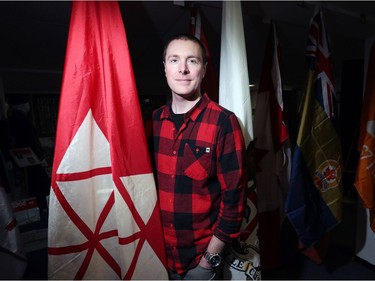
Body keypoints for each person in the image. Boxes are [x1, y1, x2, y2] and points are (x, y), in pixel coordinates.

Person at [151, 33, 247, 280]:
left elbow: (234, 198)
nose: (182, 69)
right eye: (174, 60)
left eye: (192, 61)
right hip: (156, 256)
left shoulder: (224, 122)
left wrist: (209, 261)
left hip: (199, 261)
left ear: (203, 70)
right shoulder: (152, 121)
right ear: (164, 68)